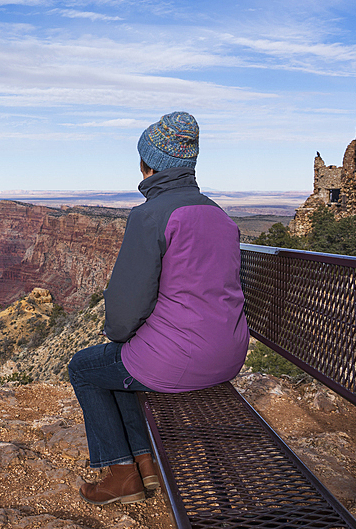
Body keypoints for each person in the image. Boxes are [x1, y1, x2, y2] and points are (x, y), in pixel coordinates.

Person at [68, 111, 250, 505]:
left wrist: (119, 335)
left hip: (181, 360)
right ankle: (145, 465)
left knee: (85, 368)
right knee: (122, 365)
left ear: (146, 165)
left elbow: (125, 304)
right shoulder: (220, 216)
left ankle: (121, 474)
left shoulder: (150, 215)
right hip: (230, 355)